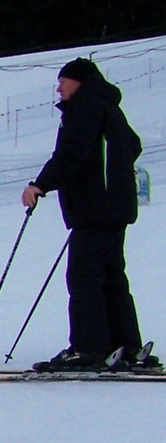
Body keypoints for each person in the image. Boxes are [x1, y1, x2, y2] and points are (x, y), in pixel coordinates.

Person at [20, 58, 155, 372]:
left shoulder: (84, 109)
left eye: (63, 81)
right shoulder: (110, 108)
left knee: (84, 278)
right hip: (115, 209)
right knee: (111, 277)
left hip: (94, 209)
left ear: (78, 82)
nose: (59, 88)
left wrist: (40, 185)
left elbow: (71, 154)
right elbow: (132, 145)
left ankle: (89, 348)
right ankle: (125, 345)